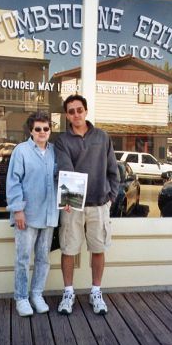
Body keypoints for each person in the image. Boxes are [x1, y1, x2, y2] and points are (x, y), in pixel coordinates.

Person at [55, 94, 119, 315]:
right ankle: (68, 292)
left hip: (99, 204)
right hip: (72, 206)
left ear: (86, 111)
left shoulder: (102, 137)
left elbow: (113, 170)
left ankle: (96, 292)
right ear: (67, 115)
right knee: (68, 249)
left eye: (79, 110)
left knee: (98, 249)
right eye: (71, 111)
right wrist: (70, 199)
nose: (76, 114)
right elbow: (65, 170)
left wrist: (111, 198)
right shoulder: (62, 140)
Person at [6, 112, 59, 317]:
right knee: (23, 258)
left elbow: (62, 179)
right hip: (26, 215)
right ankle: (21, 297)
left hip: (49, 214)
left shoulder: (55, 151)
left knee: (43, 258)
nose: (42, 132)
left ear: (50, 130)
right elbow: (13, 181)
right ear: (31, 130)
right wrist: (18, 210)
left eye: (46, 129)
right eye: (38, 129)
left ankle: (37, 294)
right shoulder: (21, 151)